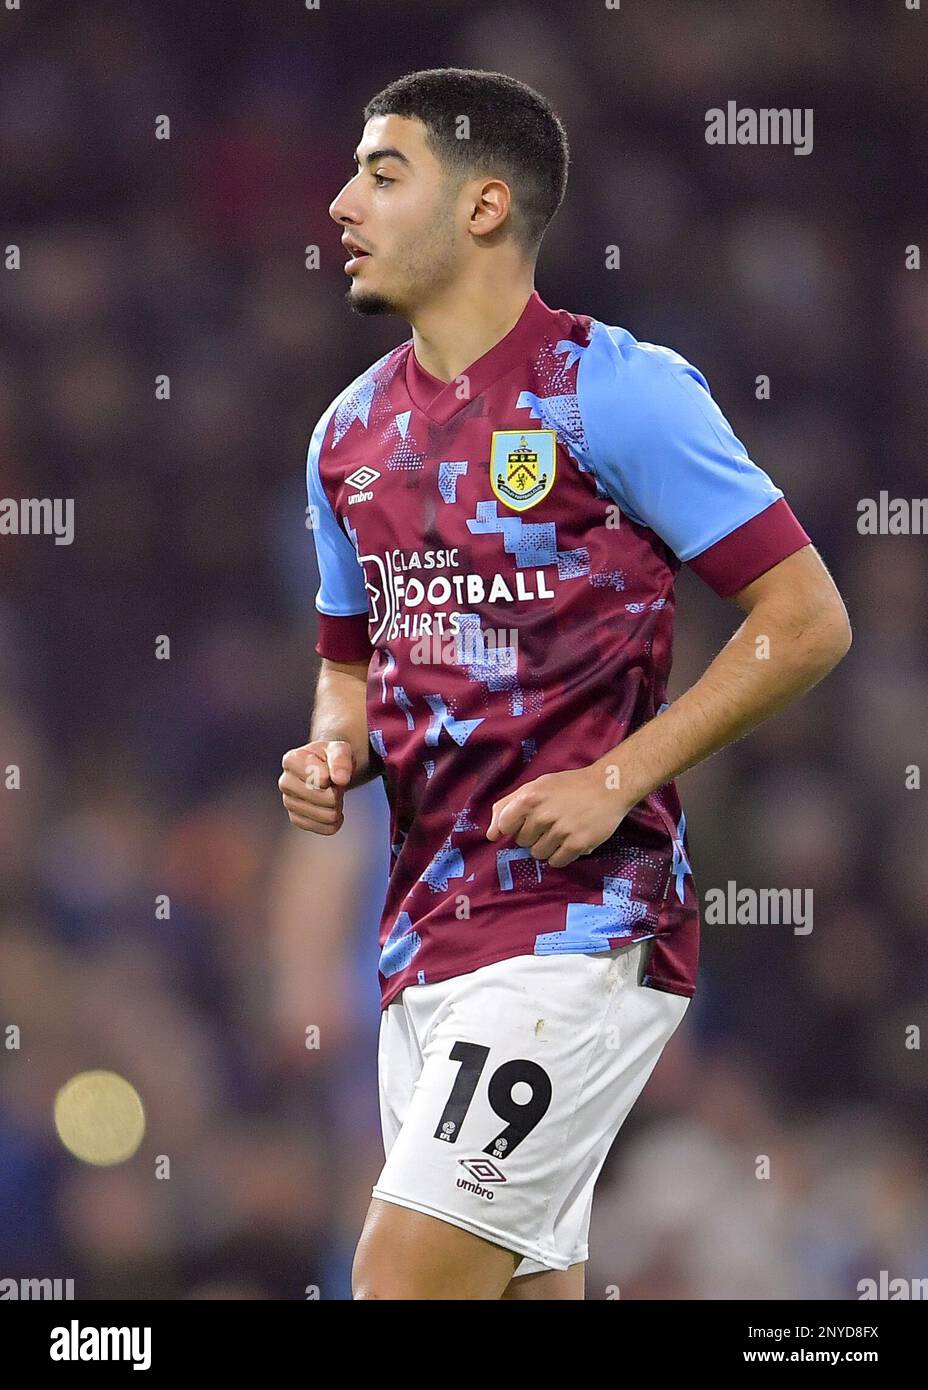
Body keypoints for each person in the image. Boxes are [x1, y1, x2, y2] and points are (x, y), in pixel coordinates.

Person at [279, 67, 852, 1300]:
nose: (341, 202)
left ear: (484, 206)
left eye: (382, 173)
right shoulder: (346, 438)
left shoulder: (613, 390)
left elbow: (805, 619)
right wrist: (334, 748)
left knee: (400, 1282)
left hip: (581, 926)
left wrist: (617, 775)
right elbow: (346, 662)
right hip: (424, 941)